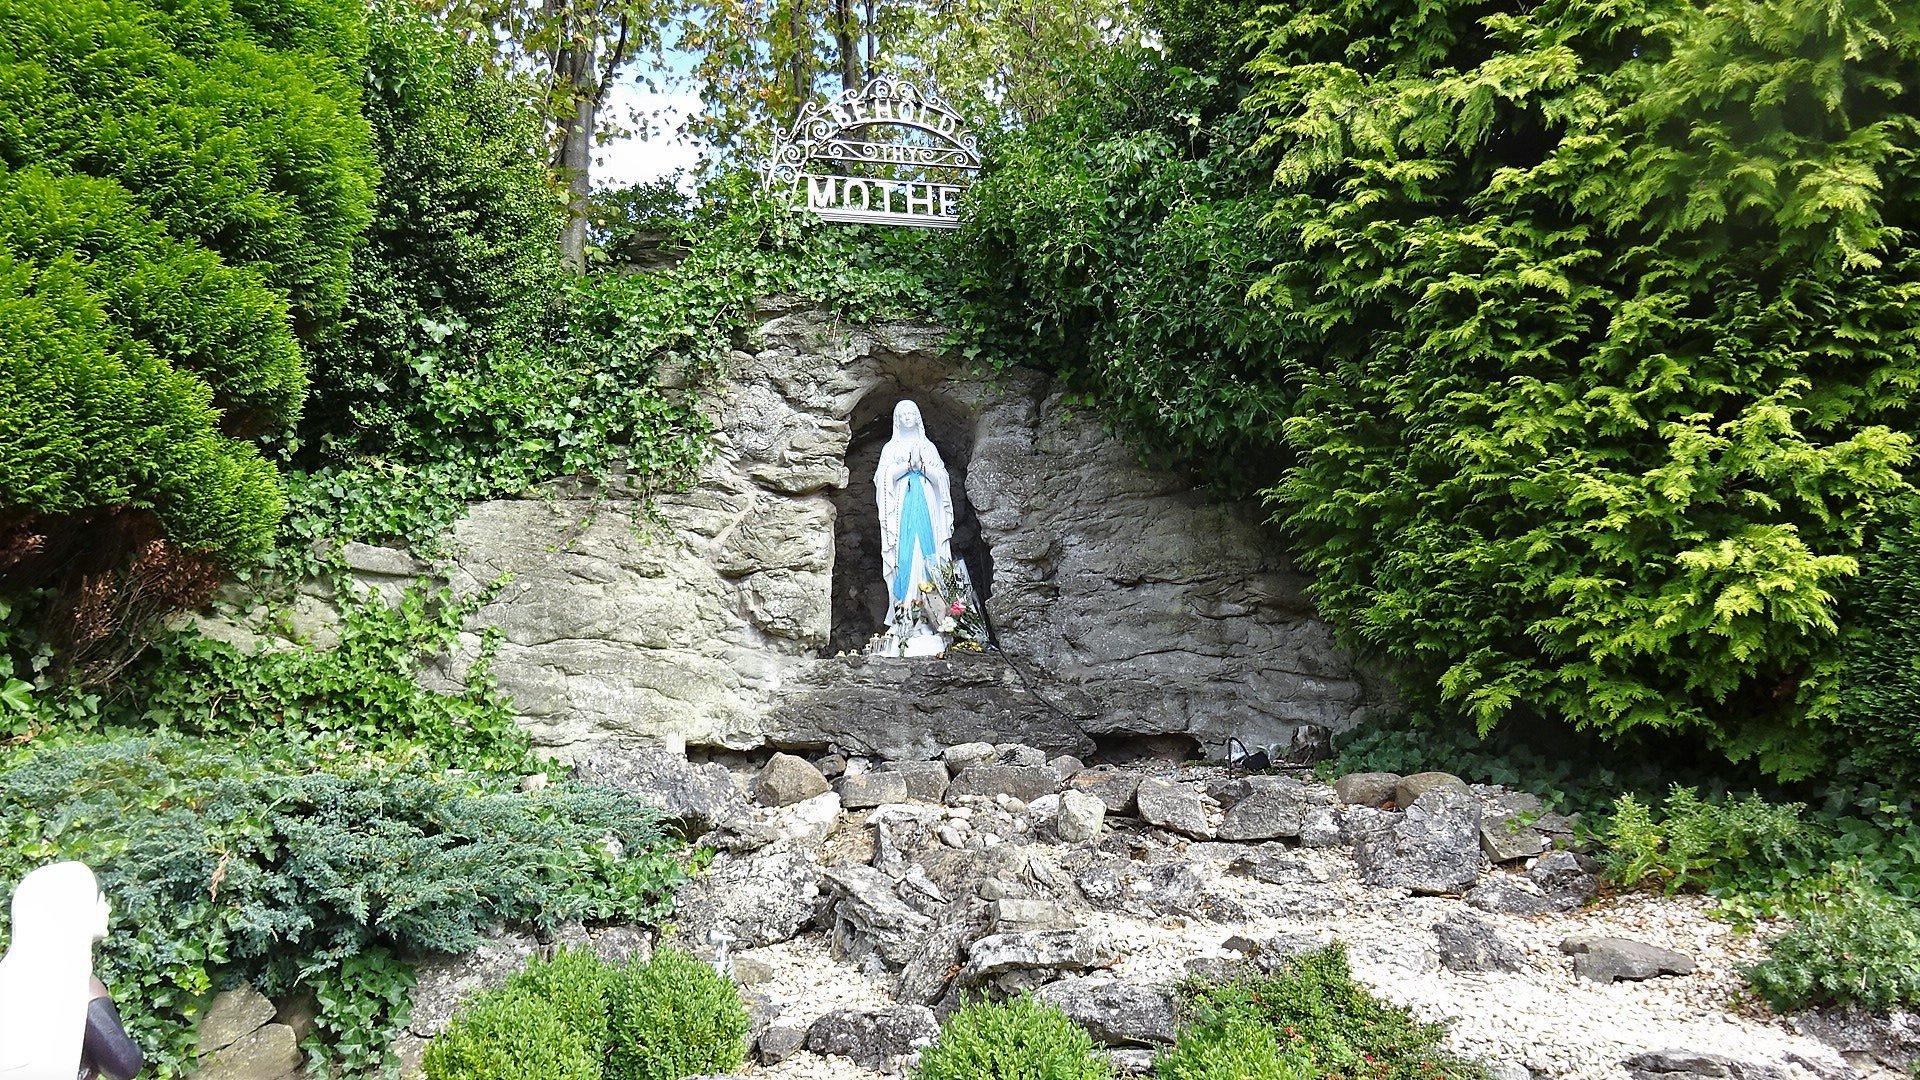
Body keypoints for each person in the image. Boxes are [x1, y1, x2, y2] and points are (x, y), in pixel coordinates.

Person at [0, 862, 143, 1080]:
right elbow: (123, 1063)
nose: (107, 908)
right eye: (98, 901)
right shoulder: (77, 983)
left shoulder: (8, 976)